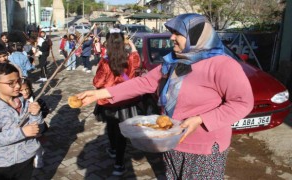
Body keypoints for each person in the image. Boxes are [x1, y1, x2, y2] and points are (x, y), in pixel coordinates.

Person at [74, 13, 254, 179]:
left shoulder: (222, 65)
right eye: (172, 32)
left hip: (204, 148)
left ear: (197, 35)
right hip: (172, 142)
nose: (171, 37)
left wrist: (200, 119)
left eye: (177, 33)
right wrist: (100, 93)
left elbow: (242, 103)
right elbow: (144, 83)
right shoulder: (174, 61)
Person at [0, 63, 43, 180]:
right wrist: (21, 132)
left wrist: (36, 114)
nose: (17, 86)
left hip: (26, 157)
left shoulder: (25, 102)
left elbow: (36, 127)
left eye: (19, 81)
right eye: (10, 83)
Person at [92, 28, 140, 176]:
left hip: (108, 100)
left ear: (109, 43)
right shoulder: (130, 59)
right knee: (121, 132)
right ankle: (119, 163)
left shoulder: (105, 62)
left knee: (111, 126)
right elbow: (136, 64)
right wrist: (131, 45)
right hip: (125, 101)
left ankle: (114, 153)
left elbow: (97, 82)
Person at [20, 78, 49, 168]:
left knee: (38, 145)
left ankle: (38, 159)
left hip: (37, 127)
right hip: (23, 129)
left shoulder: (37, 100)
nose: (25, 92)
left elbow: (45, 110)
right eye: (21, 90)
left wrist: (38, 113)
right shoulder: (17, 103)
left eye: (26, 89)